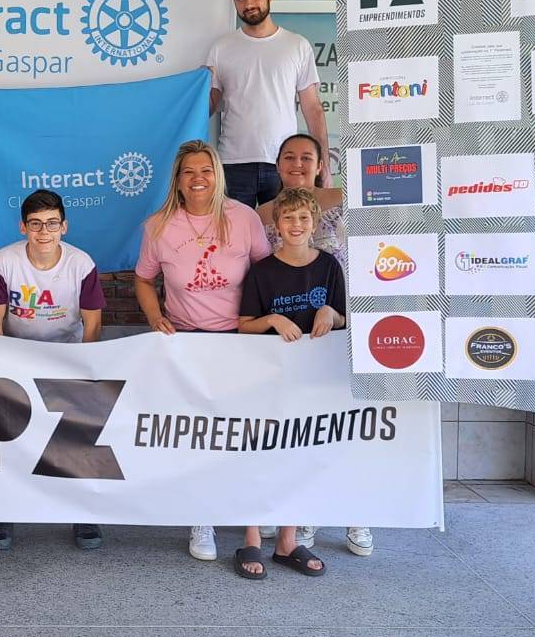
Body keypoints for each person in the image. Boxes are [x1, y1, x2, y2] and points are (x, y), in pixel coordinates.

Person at [133, 141, 272, 566]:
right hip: (187, 342)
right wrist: (155, 316)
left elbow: (268, 273)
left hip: (239, 340)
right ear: (177, 179)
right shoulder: (158, 226)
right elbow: (143, 279)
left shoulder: (244, 217)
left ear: (218, 175)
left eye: (206, 170)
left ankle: (250, 512)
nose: (198, 178)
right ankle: (202, 519)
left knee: (244, 433)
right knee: (198, 436)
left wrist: (267, 325)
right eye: (189, 171)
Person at [255, 133, 369, 557]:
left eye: (307, 157)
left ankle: (356, 513)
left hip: (336, 327)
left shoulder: (344, 201)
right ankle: (297, 514)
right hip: (285, 339)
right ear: (277, 165)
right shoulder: (261, 213)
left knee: (341, 428)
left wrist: (339, 313)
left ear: (322, 164)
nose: (297, 164)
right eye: (288, 157)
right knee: (293, 430)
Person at [0, 189, 107, 552]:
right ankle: (1, 513)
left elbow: (93, 324)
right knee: (7, 437)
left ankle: (82, 513)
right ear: (23, 227)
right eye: (35, 224)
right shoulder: (4, 261)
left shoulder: (81, 264)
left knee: (76, 438)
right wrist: (5, 368)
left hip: (67, 354)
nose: (44, 232)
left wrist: (84, 370)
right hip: (15, 355)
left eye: (52, 223)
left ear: (64, 226)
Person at [236, 186, 344, 579]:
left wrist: (330, 312)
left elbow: (344, 319)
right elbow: (244, 326)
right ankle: (251, 537)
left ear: (315, 223)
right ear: (276, 225)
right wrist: (272, 319)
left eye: (303, 218)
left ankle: (287, 540)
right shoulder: (262, 271)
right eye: (288, 218)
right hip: (265, 376)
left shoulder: (329, 267)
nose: (296, 224)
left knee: (300, 453)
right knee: (258, 452)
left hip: (311, 378)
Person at [206, 0, 330, 207]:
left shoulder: (297, 45)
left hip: (284, 164)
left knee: (285, 230)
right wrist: (195, 87)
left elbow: (313, 109)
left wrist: (324, 165)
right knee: (234, 231)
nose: (249, 4)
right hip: (232, 163)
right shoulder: (221, 48)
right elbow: (207, 106)